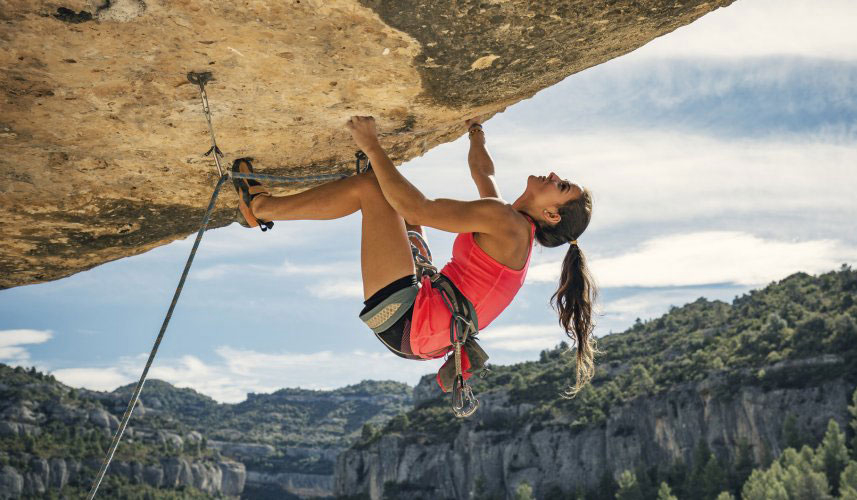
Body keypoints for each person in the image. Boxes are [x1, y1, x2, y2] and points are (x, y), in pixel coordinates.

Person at [233, 116, 597, 395]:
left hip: (409, 320)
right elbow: (483, 172)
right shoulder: (510, 221)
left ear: (552, 215)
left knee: (372, 190)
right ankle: (307, 193)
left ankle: (261, 207)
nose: (553, 175)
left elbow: (420, 208)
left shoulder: (508, 224)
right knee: (392, 194)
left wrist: (373, 146)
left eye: (561, 185)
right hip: (423, 330)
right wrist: (475, 131)